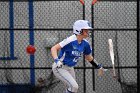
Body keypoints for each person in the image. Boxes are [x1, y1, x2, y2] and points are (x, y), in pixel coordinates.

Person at [51, 20, 105, 93]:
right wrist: (57, 61)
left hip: (70, 68)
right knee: (74, 86)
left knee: (73, 89)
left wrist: (98, 66)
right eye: (86, 30)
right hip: (60, 67)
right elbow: (54, 48)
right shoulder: (70, 40)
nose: (88, 31)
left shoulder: (85, 44)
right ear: (79, 30)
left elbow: (88, 57)